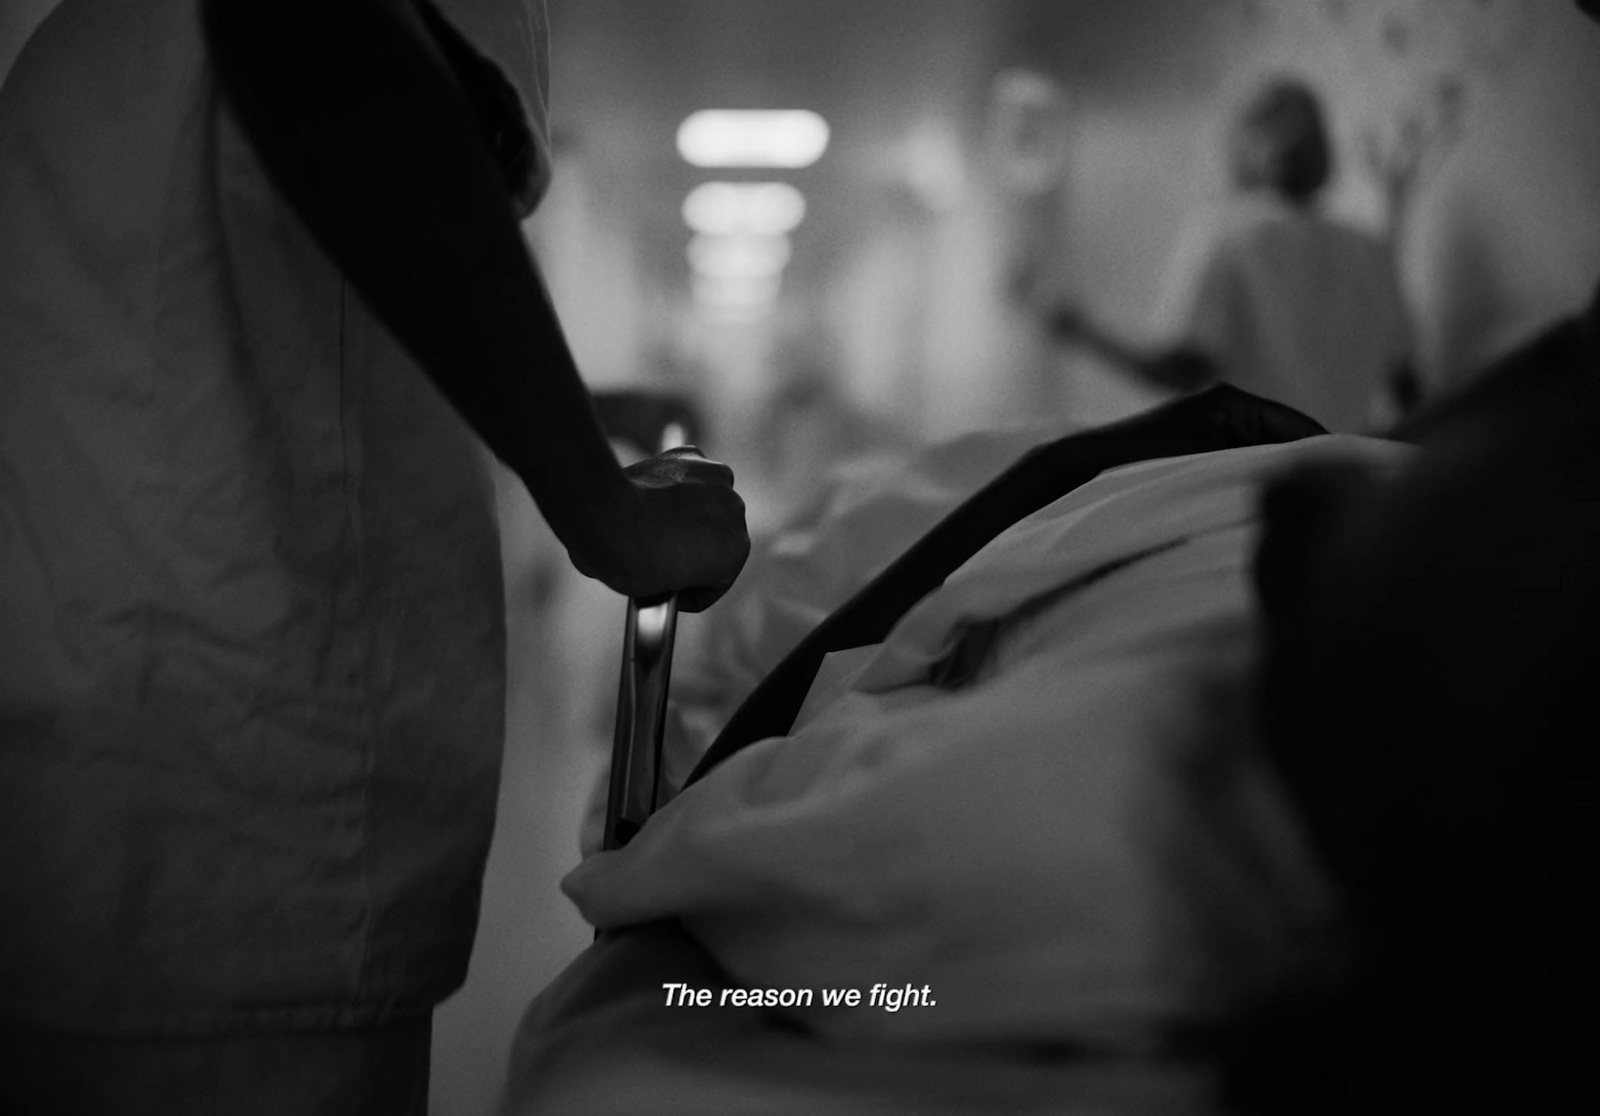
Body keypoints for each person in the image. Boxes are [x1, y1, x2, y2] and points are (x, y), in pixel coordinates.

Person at [0, 0, 747, 1112]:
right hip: (231, 830)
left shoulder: (115, 55)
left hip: (135, 801)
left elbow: (296, 307)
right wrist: (598, 504)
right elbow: (326, 47)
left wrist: (578, 412)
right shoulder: (297, 41)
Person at [1050, 77, 1418, 434]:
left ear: (1249, 147)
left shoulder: (1229, 237)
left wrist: (1080, 329)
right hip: (1350, 484)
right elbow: (1409, 388)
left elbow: (1183, 369)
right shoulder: (1371, 252)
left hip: (1256, 487)